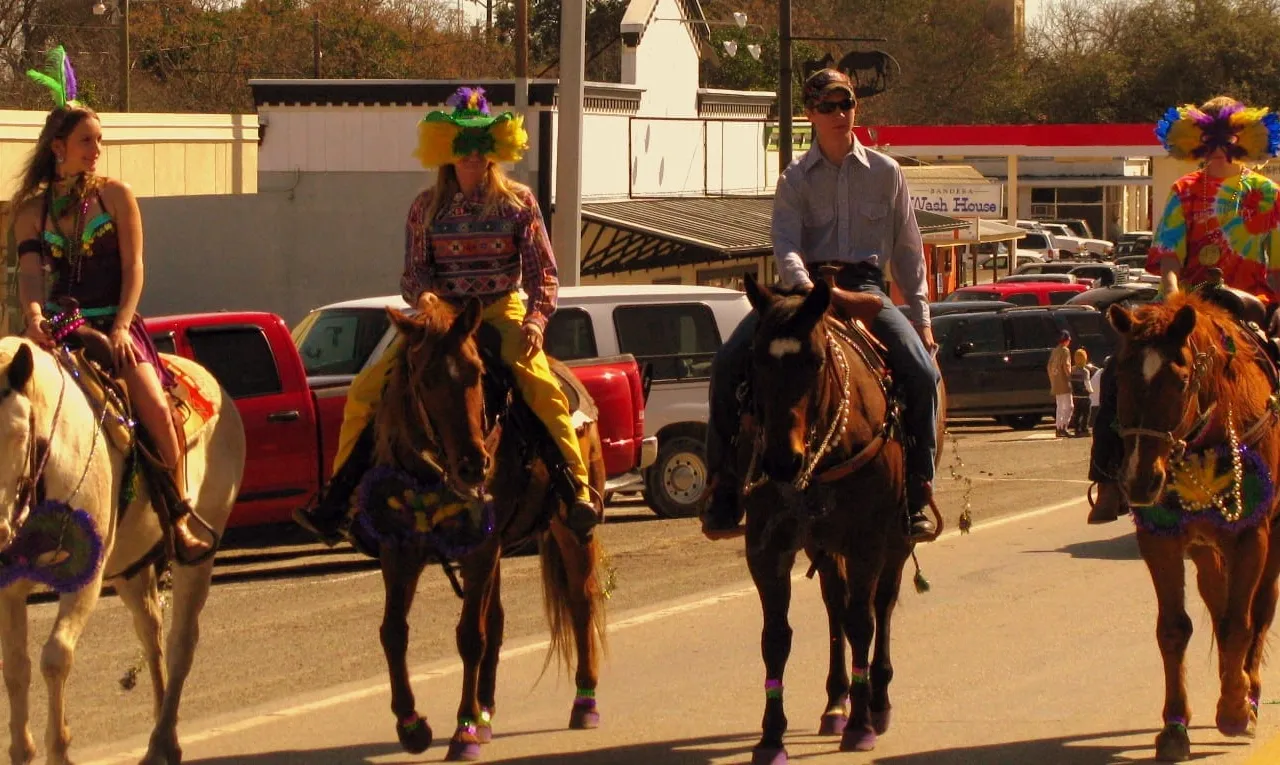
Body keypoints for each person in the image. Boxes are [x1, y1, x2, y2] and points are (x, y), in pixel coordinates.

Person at [294, 86, 600, 546]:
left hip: (499, 311)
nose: (473, 157)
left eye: (482, 148)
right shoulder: (425, 207)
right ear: (446, 152)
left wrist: (536, 320)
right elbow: (414, 274)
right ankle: (339, 498)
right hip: (440, 320)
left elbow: (545, 274)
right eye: (464, 148)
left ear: (496, 151)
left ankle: (575, 489)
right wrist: (430, 302)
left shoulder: (519, 203)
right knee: (364, 391)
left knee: (541, 389)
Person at [700, 68, 941, 542]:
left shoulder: (887, 173)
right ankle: (724, 487)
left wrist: (922, 320)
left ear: (856, 108)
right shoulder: (794, 177)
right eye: (827, 106)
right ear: (810, 113)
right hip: (801, 293)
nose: (839, 114)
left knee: (921, 370)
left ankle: (917, 488)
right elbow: (785, 243)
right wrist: (806, 291)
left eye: (846, 104)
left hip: (864, 290)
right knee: (728, 363)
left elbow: (910, 252)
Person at [8, 47, 211, 562]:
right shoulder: (31, 211)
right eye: (86, 141)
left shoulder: (117, 196)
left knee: (153, 403)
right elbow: (30, 275)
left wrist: (122, 325)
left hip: (113, 324)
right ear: (59, 146)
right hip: (57, 325)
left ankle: (179, 514)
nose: (96, 149)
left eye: (99, 140)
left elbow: (134, 269)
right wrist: (33, 318)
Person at [1088, 95, 1280, 523]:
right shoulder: (1184, 190)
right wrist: (1173, 300)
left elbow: (1278, 266)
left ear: (1244, 138)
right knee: (1115, 374)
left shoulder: (1267, 194)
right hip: (1188, 310)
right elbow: (1169, 261)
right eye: (1207, 138)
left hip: (1249, 306)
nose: (1217, 147)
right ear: (1192, 140)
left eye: (1226, 138)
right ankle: (1107, 480)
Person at [1047, 331, 1073, 438]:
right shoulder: (1065, 351)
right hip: (1064, 382)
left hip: (1055, 382)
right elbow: (1066, 366)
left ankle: (1058, 428)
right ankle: (1064, 427)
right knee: (1069, 406)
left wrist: (1053, 379)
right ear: (1067, 340)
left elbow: (1048, 366)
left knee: (1060, 406)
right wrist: (1071, 378)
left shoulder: (1055, 351)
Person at [1068, 348, 1095, 437]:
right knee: (1086, 413)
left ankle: (1077, 430)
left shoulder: (1072, 369)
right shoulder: (1085, 371)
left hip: (1075, 396)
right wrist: (1091, 390)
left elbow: (1069, 382)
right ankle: (1084, 429)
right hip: (1084, 396)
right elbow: (1087, 382)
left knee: (1077, 413)